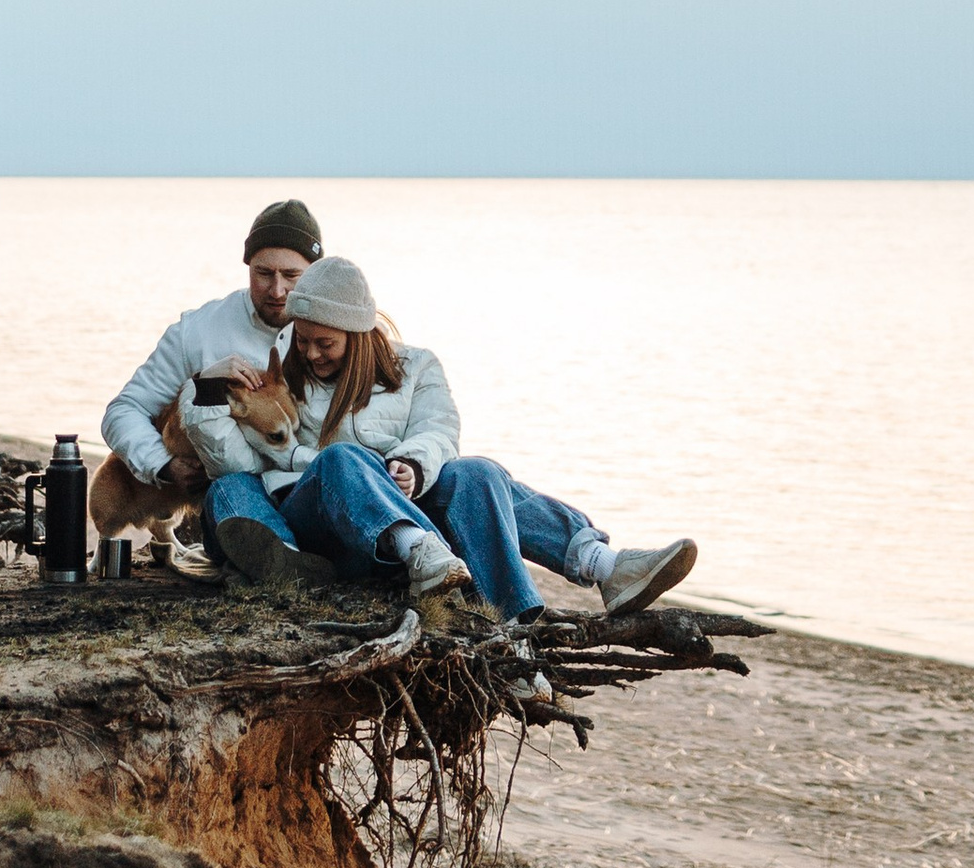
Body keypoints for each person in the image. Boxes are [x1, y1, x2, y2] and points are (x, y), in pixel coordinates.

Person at [176, 252, 697, 623]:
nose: (310, 353)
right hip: (328, 527)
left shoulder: (418, 368)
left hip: (407, 521)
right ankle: (419, 550)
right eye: (304, 340)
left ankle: (582, 581)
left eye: (325, 343)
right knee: (343, 460)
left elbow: (438, 430)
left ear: (358, 335)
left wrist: (413, 465)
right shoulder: (287, 376)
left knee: (479, 472)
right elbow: (237, 457)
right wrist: (205, 388)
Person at [93, 196, 324, 545]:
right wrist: (164, 465)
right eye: (263, 274)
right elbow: (123, 412)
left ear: (315, 274)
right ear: (247, 266)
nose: (278, 290)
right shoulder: (197, 331)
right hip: (229, 495)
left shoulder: (336, 335)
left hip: (307, 486)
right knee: (233, 487)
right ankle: (277, 554)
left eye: (292, 275)